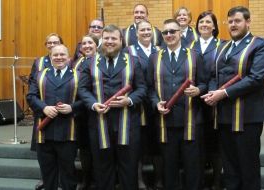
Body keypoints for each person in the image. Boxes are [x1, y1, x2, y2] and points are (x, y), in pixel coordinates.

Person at [202, 6, 264, 190]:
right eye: (230, 21)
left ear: (248, 22)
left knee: (247, 168)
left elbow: (256, 78)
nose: (233, 25)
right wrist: (211, 92)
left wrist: (222, 93)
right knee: (230, 168)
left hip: (247, 117)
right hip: (225, 116)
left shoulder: (261, 45)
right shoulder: (223, 47)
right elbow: (213, 76)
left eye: (237, 21)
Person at [78, 24, 146, 190]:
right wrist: (93, 104)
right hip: (99, 124)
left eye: (113, 38)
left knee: (128, 169)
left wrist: (129, 100)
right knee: (102, 170)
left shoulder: (133, 62)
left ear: (121, 41)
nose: (110, 41)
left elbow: (142, 88)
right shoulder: (90, 63)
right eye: (106, 38)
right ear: (101, 40)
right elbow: (83, 89)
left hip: (128, 124)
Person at [147, 19, 207, 190]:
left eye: (173, 31)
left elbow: (205, 82)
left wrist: (198, 90)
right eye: (165, 32)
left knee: (193, 167)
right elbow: (149, 88)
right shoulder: (154, 58)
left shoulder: (195, 55)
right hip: (165, 121)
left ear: (181, 33)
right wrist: (155, 103)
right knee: (169, 167)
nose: (169, 35)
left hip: (191, 120)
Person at [27, 44, 82, 190]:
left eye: (62, 54)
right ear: (50, 57)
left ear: (69, 58)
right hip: (44, 133)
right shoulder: (40, 75)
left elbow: (85, 100)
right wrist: (43, 107)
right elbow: (31, 96)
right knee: (48, 174)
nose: (59, 57)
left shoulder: (79, 75)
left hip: (67, 133)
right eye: (55, 55)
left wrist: (72, 107)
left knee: (68, 174)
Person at [124, 20, 161, 190]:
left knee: (157, 144)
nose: (146, 32)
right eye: (142, 30)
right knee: (137, 147)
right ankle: (140, 180)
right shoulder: (129, 51)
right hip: (136, 105)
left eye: (148, 29)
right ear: (136, 33)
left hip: (156, 105)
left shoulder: (160, 50)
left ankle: (159, 179)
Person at [191, 11, 223, 190]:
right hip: (194, 101)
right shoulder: (190, 46)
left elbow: (220, 74)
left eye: (208, 22)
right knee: (198, 143)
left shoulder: (221, 46)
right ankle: (200, 180)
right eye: (201, 21)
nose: (204, 24)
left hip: (214, 99)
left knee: (215, 143)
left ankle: (217, 181)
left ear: (214, 27)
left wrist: (212, 92)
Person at [28, 33, 63, 190]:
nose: (52, 45)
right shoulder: (39, 62)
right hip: (43, 110)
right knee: (43, 149)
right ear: (46, 45)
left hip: (62, 110)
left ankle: (60, 180)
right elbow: (32, 84)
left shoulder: (64, 58)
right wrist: (41, 107)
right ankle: (45, 178)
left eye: (55, 42)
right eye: (49, 43)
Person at [72, 33, 99, 190]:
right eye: (84, 43)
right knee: (84, 148)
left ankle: (97, 178)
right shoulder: (76, 63)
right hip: (80, 112)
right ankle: (86, 178)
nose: (87, 46)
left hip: (97, 110)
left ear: (97, 45)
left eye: (90, 43)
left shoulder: (102, 60)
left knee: (97, 147)